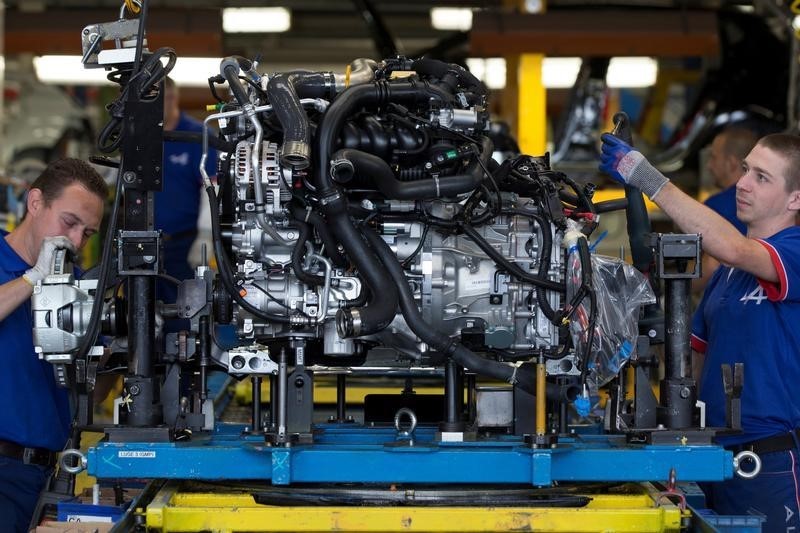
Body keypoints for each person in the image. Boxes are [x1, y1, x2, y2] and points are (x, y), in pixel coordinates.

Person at [600, 131, 800, 529]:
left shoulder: (793, 250)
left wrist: (642, 175)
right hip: (712, 457)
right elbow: (690, 360)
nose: (742, 184)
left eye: (762, 177)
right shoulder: (727, 276)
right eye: (745, 170)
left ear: (795, 199)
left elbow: (734, 247)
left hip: (771, 463)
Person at [0, 158, 106, 532]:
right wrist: (34, 279)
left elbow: (96, 384)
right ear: (35, 203)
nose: (76, 242)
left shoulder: (77, 286)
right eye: (69, 223)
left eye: (88, 233)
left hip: (47, 474)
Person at [155, 76, 217, 304]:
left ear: (172, 98)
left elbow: (212, 187)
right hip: (148, 242)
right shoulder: (145, 136)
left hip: (184, 244)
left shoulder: (197, 136)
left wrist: (206, 235)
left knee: (183, 311)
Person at [693, 125, 758, 294]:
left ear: (731, 164)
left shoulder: (714, 206)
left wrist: (679, 289)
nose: (709, 165)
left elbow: (711, 266)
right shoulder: (770, 205)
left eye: (713, 158)